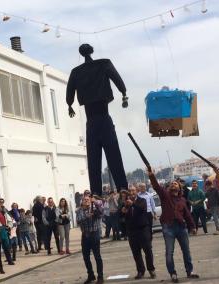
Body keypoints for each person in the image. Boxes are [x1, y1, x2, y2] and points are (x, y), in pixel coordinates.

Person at [66, 43, 129, 196]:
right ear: (92, 51)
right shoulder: (104, 63)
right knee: (114, 155)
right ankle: (123, 189)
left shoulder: (76, 72)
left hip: (91, 122)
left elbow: (69, 93)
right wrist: (123, 93)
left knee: (93, 160)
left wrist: (70, 105)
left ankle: (95, 192)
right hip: (104, 118)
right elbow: (118, 80)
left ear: (81, 54)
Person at [148, 169, 199, 283]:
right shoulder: (165, 196)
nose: (173, 184)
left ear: (179, 188)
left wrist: (193, 226)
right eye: (171, 184)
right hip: (168, 227)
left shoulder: (182, 200)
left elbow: (187, 215)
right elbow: (156, 186)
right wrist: (152, 176)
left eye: (175, 183)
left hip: (181, 227)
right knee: (169, 252)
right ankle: (173, 273)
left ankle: (189, 271)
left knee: (186, 251)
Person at [123, 192, 155, 279]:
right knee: (136, 252)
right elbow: (122, 216)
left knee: (148, 250)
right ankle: (140, 271)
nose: (132, 193)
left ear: (136, 192)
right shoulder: (126, 202)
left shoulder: (142, 200)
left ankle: (151, 269)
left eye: (133, 191)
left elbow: (141, 209)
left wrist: (132, 204)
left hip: (143, 229)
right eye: (130, 191)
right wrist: (123, 210)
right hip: (132, 231)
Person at [77, 195, 104, 284]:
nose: (86, 201)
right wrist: (87, 216)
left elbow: (101, 213)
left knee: (97, 256)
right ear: (82, 202)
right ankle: (91, 275)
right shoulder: (80, 210)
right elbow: (79, 220)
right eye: (85, 200)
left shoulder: (95, 208)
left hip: (94, 234)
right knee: (86, 257)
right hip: (85, 235)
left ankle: (100, 276)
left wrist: (95, 203)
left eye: (88, 200)